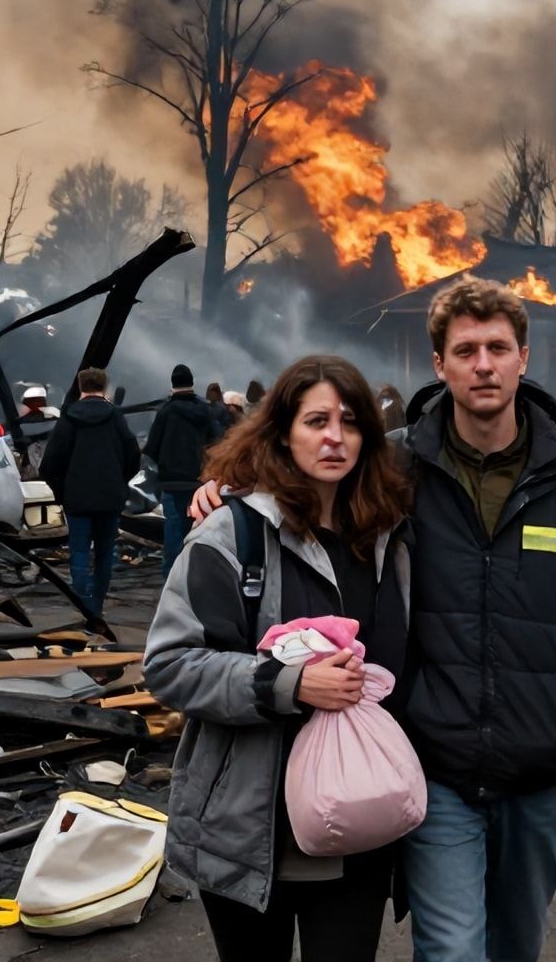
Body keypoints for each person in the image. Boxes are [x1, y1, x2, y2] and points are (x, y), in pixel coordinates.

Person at [193, 277, 556, 962]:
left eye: (498, 347)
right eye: (466, 350)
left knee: (516, 945)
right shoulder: (397, 466)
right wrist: (233, 491)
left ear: (523, 357)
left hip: (540, 764)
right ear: (439, 365)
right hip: (434, 763)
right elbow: (309, 479)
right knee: (452, 951)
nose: (484, 364)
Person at [144, 354, 412, 962]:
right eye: (316, 420)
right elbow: (169, 664)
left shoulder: (390, 538)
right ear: (283, 431)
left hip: (361, 824)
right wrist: (286, 685)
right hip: (252, 826)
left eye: (350, 421)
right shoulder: (229, 535)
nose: (334, 437)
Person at [40, 367, 139, 615]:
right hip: (109, 497)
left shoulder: (68, 418)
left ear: (81, 386)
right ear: (104, 387)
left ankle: (83, 605)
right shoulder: (116, 416)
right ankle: (98, 602)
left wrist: (62, 492)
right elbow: (133, 454)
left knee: (80, 551)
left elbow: (49, 464)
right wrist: (119, 480)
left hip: (77, 499)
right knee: (105, 553)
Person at [144, 363, 222, 577]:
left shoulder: (166, 412)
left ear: (173, 384)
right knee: (199, 532)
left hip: (172, 483)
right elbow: (218, 442)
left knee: (173, 534)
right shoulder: (205, 411)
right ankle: (196, 578)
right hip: (199, 482)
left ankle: (172, 581)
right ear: (192, 383)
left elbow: (152, 448)